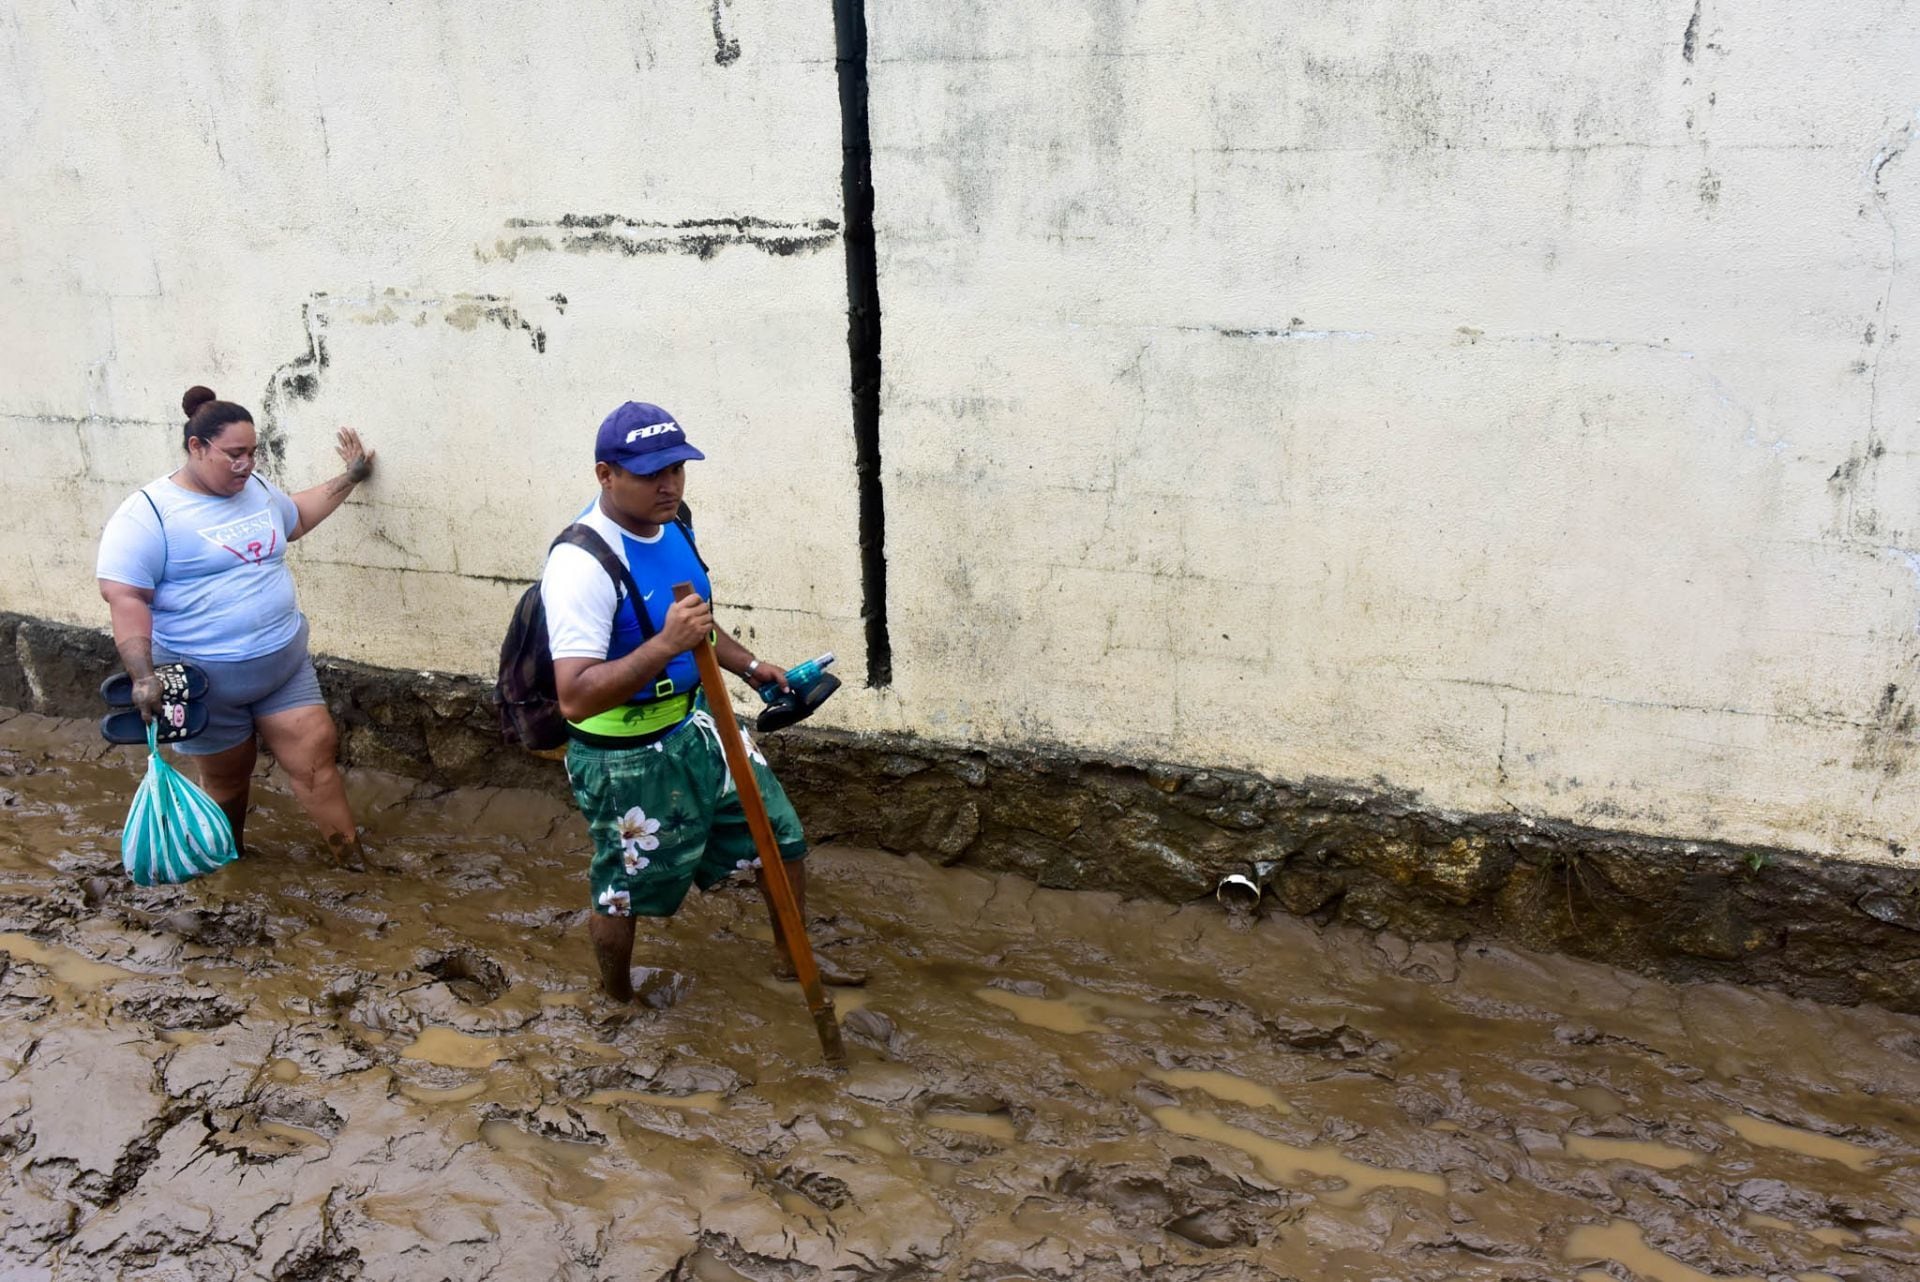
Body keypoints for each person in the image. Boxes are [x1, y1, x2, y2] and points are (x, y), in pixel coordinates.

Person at [541, 400, 863, 1002]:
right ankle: (615, 997)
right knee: (624, 889)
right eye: (650, 474)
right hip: (624, 756)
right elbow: (574, 697)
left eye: (677, 470)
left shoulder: (675, 523)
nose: (668, 485)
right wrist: (666, 645)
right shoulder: (582, 564)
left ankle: (794, 960)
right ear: (605, 474)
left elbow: (698, 624)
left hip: (699, 724)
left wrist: (748, 666)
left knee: (782, 839)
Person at [95, 385, 376, 867]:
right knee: (228, 779)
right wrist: (143, 673)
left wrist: (350, 477)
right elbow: (125, 596)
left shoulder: (259, 491)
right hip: (206, 681)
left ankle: (352, 860)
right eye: (234, 454)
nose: (247, 464)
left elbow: (297, 517)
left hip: (282, 666)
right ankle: (231, 865)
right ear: (196, 447)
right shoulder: (149, 514)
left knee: (316, 760)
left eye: (253, 452)